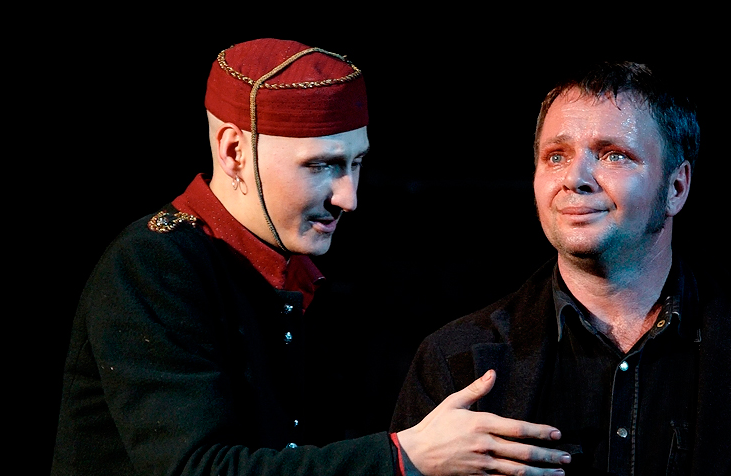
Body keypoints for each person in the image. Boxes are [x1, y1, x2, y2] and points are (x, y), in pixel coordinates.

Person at [51, 38, 571, 476]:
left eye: (356, 162)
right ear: (233, 151)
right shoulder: (155, 264)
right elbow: (197, 468)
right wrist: (402, 456)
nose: (349, 197)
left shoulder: (285, 268)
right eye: (321, 165)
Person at [390, 61, 731, 475]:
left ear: (676, 187)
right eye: (556, 156)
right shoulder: (455, 360)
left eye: (614, 155)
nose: (575, 178)